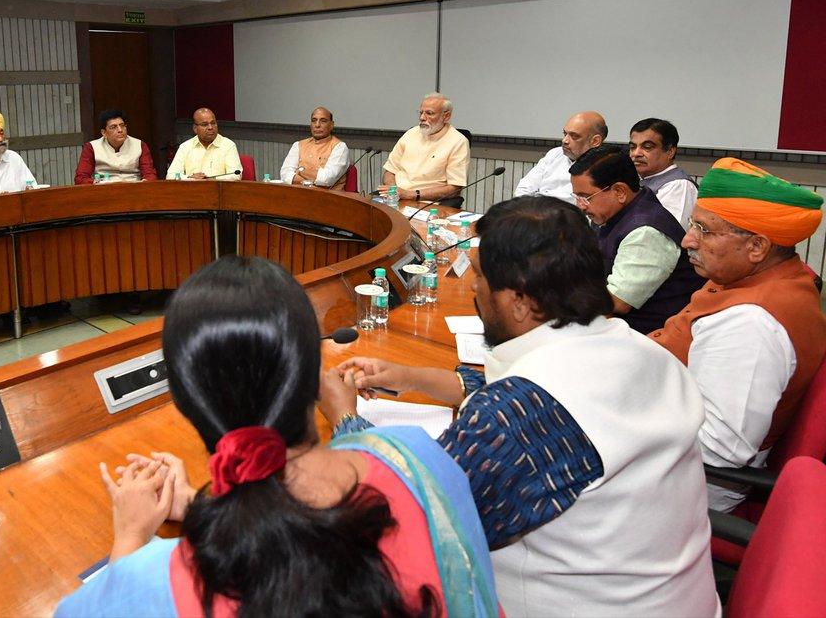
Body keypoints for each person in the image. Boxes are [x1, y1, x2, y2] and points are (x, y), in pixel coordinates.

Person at [335, 196, 719, 617]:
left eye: (479, 278)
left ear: (519, 301)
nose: (474, 289)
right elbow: (543, 396)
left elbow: (402, 518)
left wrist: (344, 418)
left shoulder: (520, 416)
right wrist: (409, 377)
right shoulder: (638, 349)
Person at [57, 256, 499, 617]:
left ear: (184, 401)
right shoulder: (418, 456)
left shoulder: (154, 583)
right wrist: (200, 505)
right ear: (314, 377)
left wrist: (130, 541)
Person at [650, 158, 826, 512]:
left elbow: (719, 449)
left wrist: (612, 420)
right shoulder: (756, 277)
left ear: (757, 247)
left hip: (686, 486)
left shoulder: (751, 324)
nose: (688, 240)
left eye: (704, 229)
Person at [569, 145, 704, 333]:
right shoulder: (610, 213)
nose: (580, 206)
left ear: (620, 192)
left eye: (585, 197)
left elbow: (617, 301)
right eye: (576, 197)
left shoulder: (646, 231)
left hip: (651, 336)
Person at [380, 93, 469, 202]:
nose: (422, 117)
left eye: (429, 113)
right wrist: (393, 191)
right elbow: (390, 171)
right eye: (421, 112)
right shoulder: (411, 133)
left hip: (425, 202)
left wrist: (410, 194)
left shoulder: (458, 142)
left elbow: (454, 188)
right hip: (395, 198)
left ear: (446, 116)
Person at [514, 111, 607, 200]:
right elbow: (523, 189)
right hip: (535, 211)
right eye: (565, 134)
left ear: (595, 141)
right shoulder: (555, 154)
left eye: (574, 136)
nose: (564, 141)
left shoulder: (605, 166)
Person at [629, 118, 698, 225]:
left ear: (670, 151)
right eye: (632, 147)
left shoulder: (679, 186)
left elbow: (668, 235)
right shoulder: (638, 181)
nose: (636, 153)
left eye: (647, 147)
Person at [74, 109, 157, 185]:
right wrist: (96, 183)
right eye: (113, 127)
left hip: (134, 189)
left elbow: (150, 175)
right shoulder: (91, 147)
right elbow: (81, 178)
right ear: (104, 133)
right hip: (103, 190)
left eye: (122, 125)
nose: (120, 130)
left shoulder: (140, 145)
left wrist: (144, 184)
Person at [278, 107, 348, 188]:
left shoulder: (339, 146)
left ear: (331, 125)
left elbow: (326, 179)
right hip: (298, 195)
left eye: (323, 121)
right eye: (314, 120)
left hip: (328, 198)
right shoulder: (298, 145)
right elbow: (285, 175)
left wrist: (300, 171)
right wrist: (307, 182)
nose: (317, 125)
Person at [167, 108, 242, 180]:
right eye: (204, 124)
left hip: (218, 190)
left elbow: (236, 175)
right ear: (195, 128)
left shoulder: (228, 145)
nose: (210, 127)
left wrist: (212, 179)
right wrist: (189, 178)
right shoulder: (185, 147)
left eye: (213, 123)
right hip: (192, 190)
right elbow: (171, 175)